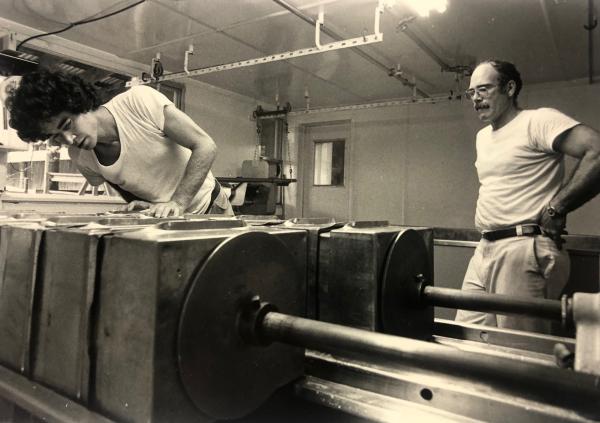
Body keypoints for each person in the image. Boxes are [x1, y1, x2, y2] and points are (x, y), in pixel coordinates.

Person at [455, 59, 600, 333]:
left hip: (523, 247)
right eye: (471, 92)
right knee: (467, 339)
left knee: (520, 352)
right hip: (485, 247)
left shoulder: (537, 120)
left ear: (509, 88)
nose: (476, 98)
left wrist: (558, 207)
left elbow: (597, 151)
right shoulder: (482, 137)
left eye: (484, 89)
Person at [4, 68, 233, 217]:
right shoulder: (80, 158)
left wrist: (178, 202)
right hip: (169, 221)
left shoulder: (139, 101)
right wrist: (142, 203)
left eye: (66, 125)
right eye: (55, 137)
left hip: (211, 207)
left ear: (78, 103)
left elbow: (205, 145)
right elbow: (122, 180)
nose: (69, 140)